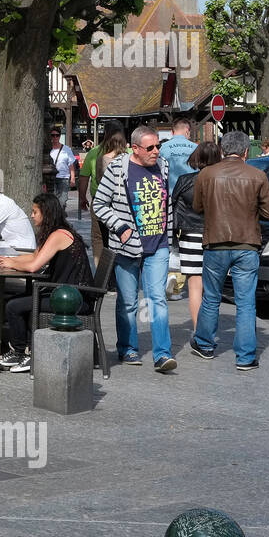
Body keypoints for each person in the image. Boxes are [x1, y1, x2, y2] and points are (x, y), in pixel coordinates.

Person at [189, 130, 269, 370]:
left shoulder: (207, 174)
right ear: (246, 152)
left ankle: (205, 344)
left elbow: (197, 207)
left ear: (222, 150)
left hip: (215, 243)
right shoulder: (257, 175)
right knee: (246, 303)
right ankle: (246, 357)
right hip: (247, 243)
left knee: (211, 297)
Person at [92, 125, 176, 373]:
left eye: (158, 146)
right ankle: (128, 347)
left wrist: (170, 235)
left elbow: (168, 201)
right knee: (129, 302)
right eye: (150, 148)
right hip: (126, 247)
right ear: (135, 148)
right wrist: (119, 226)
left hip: (158, 244)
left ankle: (162, 355)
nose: (156, 151)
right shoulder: (118, 169)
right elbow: (99, 203)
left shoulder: (164, 166)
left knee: (157, 299)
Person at [0, 193, 96, 373]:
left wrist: (11, 263)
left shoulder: (59, 235)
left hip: (73, 300)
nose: (32, 216)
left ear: (46, 213)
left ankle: (22, 353)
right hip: (65, 294)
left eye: (35, 212)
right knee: (19, 301)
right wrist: (8, 259)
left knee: (14, 306)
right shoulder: (54, 231)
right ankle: (22, 350)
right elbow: (34, 256)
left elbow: (33, 266)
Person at [171, 141, 223, 332]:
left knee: (194, 286)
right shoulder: (221, 180)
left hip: (189, 235)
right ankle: (210, 329)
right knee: (212, 288)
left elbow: (173, 208)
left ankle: (197, 330)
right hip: (215, 236)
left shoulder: (184, 180)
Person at [89, 129, 127, 265]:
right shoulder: (128, 160)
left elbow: (99, 180)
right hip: (122, 204)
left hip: (102, 202)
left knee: (99, 238)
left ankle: (101, 270)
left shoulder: (102, 159)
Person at [158, 117, 198, 195]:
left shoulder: (162, 148)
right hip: (192, 193)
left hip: (170, 193)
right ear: (187, 131)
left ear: (172, 132)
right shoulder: (196, 148)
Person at [48, 130, 78, 211]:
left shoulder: (66, 149)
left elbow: (71, 164)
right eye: (53, 135)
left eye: (57, 135)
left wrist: (72, 178)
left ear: (60, 136)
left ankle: (60, 218)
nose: (55, 137)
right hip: (51, 178)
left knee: (62, 201)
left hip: (64, 178)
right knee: (52, 201)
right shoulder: (48, 149)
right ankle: (55, 219)